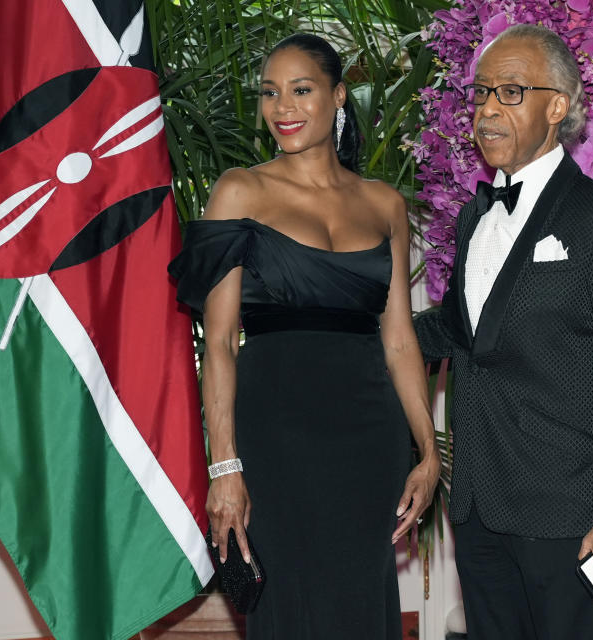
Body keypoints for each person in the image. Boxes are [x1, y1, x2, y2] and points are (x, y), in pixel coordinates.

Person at [168, 33, 441, 640]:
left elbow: (398, 340)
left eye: (301, 90)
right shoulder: (241, 191)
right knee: (286, 604)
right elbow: (217, 345)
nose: (282, 108)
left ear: (339, 96)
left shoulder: (384, 203)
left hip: (369, 440)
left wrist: (427, 453)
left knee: (363, 599)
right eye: (270, 93)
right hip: (275, 442)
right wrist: (224, 466)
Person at [413, 24, 593, 640]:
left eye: (511, 92)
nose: (489, 109)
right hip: (476, 503)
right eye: (481, 94)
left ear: (558, 105)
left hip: (564, 509)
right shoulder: (475, 218)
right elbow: (461, 330)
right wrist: (361, 333)